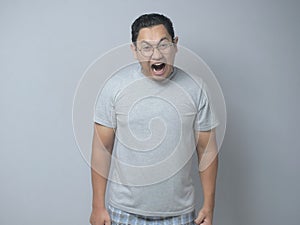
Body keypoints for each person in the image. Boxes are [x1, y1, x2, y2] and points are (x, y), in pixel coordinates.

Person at [90, 13, 219, 225]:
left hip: (180, 215)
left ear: (175, 45)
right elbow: (101, 148)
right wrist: (97, 206)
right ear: (134, 50)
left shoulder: (196, 89)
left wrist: (209, 206)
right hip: (123, 213)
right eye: (146, 47)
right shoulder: (114, 87)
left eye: (163, 45)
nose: (156, 55)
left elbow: (207, 150)